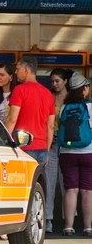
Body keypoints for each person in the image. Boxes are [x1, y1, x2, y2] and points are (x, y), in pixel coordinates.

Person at [5, 55, 55, 178]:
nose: (15, 72)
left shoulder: (19, 90)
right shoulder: (48, 93)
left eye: (17, 69)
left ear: (26, 70)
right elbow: (51, 126)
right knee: (37, 189)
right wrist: (47, 151)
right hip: (42, 149)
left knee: (22, 188)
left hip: (23, 147)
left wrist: (3, 140)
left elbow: (12, 120)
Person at [57, 72, 92, 236]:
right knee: (87, 191)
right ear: (84, 89)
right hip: (88, 152)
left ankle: (68, 226)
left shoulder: (64, 107)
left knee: (71, 190)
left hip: (66, 153)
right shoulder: (90, 107)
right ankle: (87, 227)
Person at [47, 68, 72, 233]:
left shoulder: (71, 99)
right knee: (49, 181)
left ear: (65, 81)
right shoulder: (49, 97)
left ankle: (68, 219)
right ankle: (48, 218)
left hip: (67, 144)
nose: (54, 84)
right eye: (52, 81)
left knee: (66, 182)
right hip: (51, 141)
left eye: (57, 81)